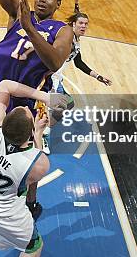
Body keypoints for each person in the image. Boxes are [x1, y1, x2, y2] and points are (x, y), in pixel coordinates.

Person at [0, 0, 73, 219]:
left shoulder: (61, 30)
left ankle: (30, 201)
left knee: (30, 157)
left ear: (58, 4)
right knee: (0, 151)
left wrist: (29, 27)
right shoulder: (18, 12)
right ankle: (4, 194)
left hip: (29, 102)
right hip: (3, 93)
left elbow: (53, 62)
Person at [0, 80, 67, 257]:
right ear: (29, 133)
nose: (26, 106)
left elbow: (4, 85)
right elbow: (35, 166)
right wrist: (39, 134)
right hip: (1, 215)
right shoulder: (38, 163)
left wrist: (43, 97)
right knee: (34, 247)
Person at [42, 13, 113, 154]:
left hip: (57, 78)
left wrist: (98, 76)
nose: (84, 26)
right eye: (80, 23)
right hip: (51, 79)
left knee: (65, 104)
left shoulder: (76, 40)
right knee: (63, 105)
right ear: (73, 24)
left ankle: (40, 130)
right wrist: (45, 74)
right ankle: (43, 134)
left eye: (86, 24)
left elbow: (78, 62)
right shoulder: (66, 40)